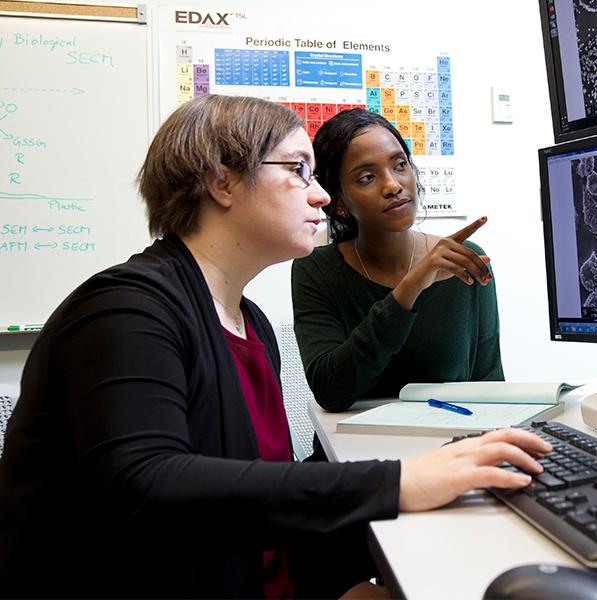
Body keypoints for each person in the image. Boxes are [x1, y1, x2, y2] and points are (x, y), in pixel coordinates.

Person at [0, 95, 551, 599]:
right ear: (222, 183)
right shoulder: (125, 312)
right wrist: (400, 481)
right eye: (297, 171)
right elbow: (147, 485)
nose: (319, 194)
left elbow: (262, 498)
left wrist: (339, 583)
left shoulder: (249, 323)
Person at [292, 109, 503, 413]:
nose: (392, 185)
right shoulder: (315, 268)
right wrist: (412, 285)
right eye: (366, 177)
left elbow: (490, 383)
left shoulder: (462, 258)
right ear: (338, 201)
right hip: (353, 453)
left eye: (400, 165)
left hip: (447, 449)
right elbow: (331, 391)